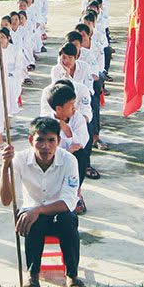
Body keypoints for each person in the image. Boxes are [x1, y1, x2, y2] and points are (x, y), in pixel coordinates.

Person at [0, 117, 87, 287]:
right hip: (31, 216)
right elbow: (6, 200)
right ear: (31, 140)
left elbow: (69, 202)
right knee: (32, 220)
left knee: (68, 219)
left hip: (57, 214)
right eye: (40, 140)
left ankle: (72, 276)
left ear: (58, 141)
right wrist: (4, 167)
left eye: (51, 140)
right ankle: (33, 277)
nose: (45, 146)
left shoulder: (69, 161)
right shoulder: (20, 160)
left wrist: (38, 210)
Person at [45, 81, 90, 214]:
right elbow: (44, 149)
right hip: (53, 159)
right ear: (58, 109)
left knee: (80, 155)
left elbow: (82, 141)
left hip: (72, 157)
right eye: (70, 105)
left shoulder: (77, 118)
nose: (74, 108)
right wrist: (65, 152)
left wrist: (67, 129)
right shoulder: (46, 122)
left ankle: (76, 193)